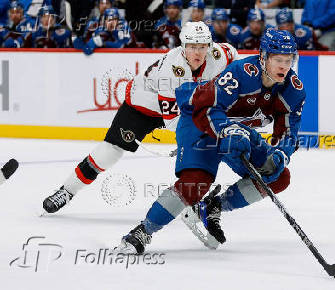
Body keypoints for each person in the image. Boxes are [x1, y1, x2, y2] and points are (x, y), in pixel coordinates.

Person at [114, 29, 305, 254]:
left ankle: (213, 207)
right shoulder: (241, 73)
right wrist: (226, 132)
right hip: (198, 121)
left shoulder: (293, 89)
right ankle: (143, 231)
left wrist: (281, 153)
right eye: (278, 60)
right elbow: (208, 108)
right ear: (263, 57)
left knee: (278, 176)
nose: (284, 66)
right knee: (196, 183)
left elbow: (289, 133)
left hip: (238, 132)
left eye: (288, 60)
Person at [42, 21, 238, 214]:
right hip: (143, 105)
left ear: (210, 46)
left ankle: (194, 196)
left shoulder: (219, 55)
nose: (198, 52)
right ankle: (67, 191)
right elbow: (172, 121)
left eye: (202, 46)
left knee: (203, 147)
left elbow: (234, 59)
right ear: (182, 46)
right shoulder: (172, 70)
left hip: (184, 103)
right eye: (192, 47)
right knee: (110, 151)